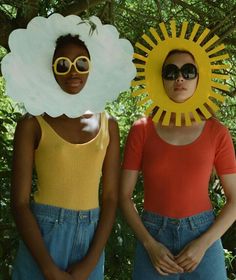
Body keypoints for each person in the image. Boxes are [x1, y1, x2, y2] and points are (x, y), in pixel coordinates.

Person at [11, 34, 120, 280]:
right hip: (42, 236)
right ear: (51, 70)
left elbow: (111, 197)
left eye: (81, 63)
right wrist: (47, 268)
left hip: (90, 238)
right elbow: (19, 203)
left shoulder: (108, 124)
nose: (73, 72)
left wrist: (90, 262)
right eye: (63, 64)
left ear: (92, 67)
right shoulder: (33, 123)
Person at [120, 49, 236, 279]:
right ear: (159, 79)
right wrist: (150, 245)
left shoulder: (217, 132)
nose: (179, 78)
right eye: (170, 72)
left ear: (199, 79)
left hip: (204, 237)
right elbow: (123, 196)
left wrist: (203, 244)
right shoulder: (142, 130)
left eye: (188, 71)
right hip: (153, 237)